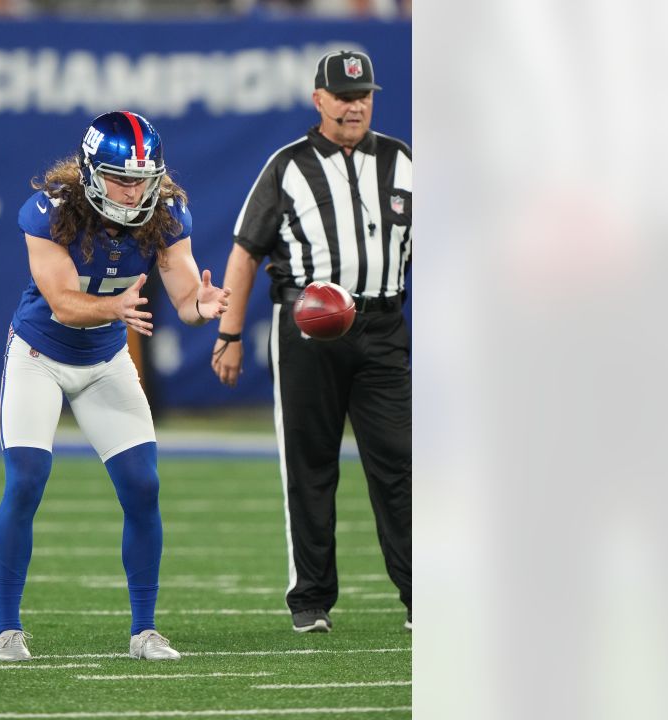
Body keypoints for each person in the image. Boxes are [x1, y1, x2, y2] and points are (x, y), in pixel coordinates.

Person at [0, 110, 231, 661]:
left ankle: (144, 630)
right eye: (121, 178)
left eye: (141, 179)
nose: (132, 191)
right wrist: (114, 308)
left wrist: (202, 305)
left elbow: (186, 293)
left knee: (143, 487)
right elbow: (62, 303)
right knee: (26, 479)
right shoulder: (51, 210)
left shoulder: (167, 214)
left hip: (105, 359)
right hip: (40, 355)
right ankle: (7, 629)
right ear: (92, 173)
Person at [211, 50, 412, 633]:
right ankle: (311, 599)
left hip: (383, 327)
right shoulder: (287, 165)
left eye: (364, 95)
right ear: (318, 98)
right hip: (308, 328)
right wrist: (229, 332)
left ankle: (420, 595)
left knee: (400, 462)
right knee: (310, 464)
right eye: (344, 96)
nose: (355, 106)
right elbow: (246, 251)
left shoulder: (402, 161)